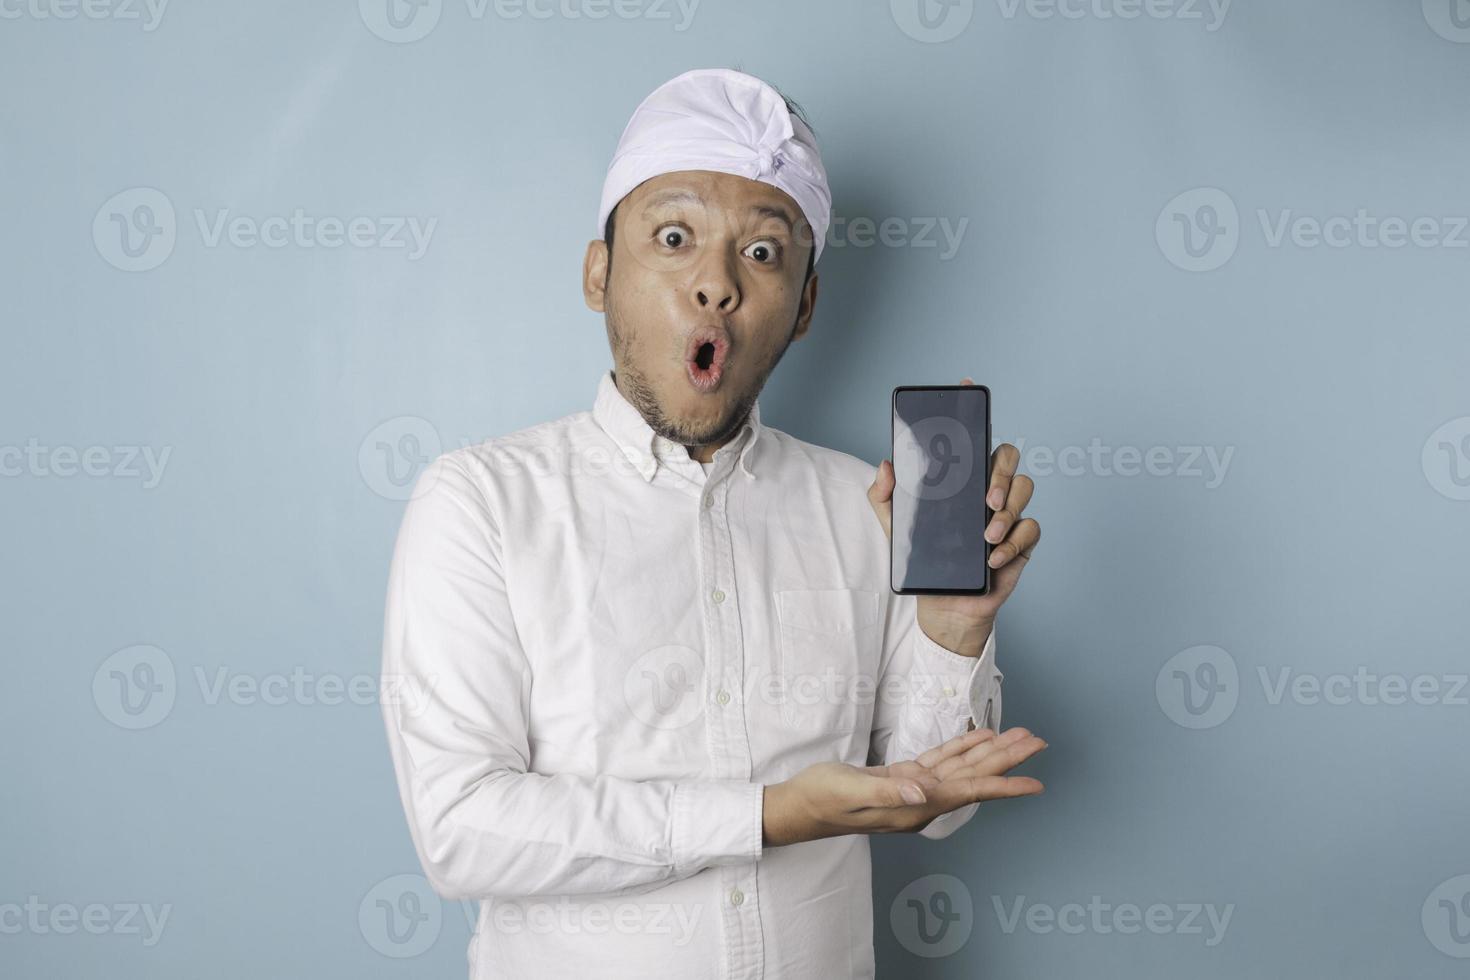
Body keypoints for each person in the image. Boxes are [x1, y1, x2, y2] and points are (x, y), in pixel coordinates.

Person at [380, 67, 1045, 979]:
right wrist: (767, 815)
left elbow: (935, 800)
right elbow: (462, 830)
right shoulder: (480, 504)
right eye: (674, 237)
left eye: (763, 254)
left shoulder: (867, 509)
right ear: (599, 273)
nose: (717, 286)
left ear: (804, 306)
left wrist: (952, 628)